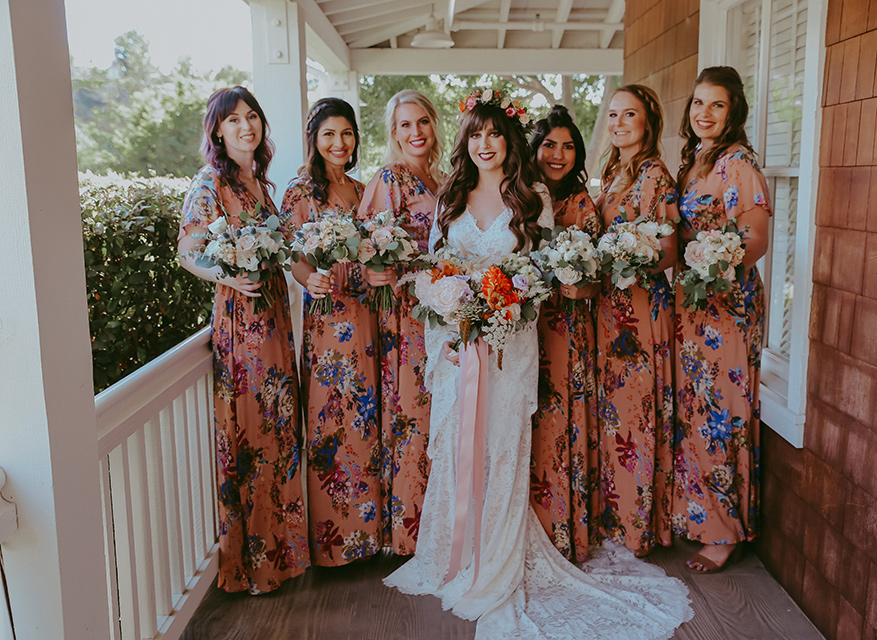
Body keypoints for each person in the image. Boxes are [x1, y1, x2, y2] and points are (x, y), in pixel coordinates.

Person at [384, 89, 692, 639]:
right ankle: (455, 556)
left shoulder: (531, 200)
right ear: (467, 141)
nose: (485, 144)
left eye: (495, 134)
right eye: (476, 134)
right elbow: (431, 268)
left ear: (508, 142)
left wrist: (502, 303)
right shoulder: (449, 199)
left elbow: (539, 278)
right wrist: (448, 298)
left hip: (508, 346)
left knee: (500, 447)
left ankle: (495, 565)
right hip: (458, 346)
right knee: (458, 442)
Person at [178, 87, 309, 594]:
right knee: (252, 435)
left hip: (274, 320)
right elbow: (189, 251)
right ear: (217, 131)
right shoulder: (209, 184)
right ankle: (253, 568)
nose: (245, 126)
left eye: (252, 116)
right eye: (233, 120)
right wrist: (226, 276)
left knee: (278, 432)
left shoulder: (258, 183)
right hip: (241, 324)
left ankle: (282, 554)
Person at [673, 66, 770, 573]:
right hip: (695, 304)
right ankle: (700, 515)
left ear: (733, 113)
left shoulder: (737, 164)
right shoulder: (696, 161)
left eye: (717, 105)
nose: (704, 114)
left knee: (722, 412)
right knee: (697, 408)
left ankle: (726, 531)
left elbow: (755, 239)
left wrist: (713, 264)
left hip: (727, 305)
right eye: (698, 104)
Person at [281, 98, 381, 566]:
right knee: (330, 421)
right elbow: (292, 254)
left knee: (366, 418)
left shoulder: (365, 190)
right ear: (314, 141)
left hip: (366, 316)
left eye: (346, 133)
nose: (339, 143)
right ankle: (333, 547)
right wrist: (309, 278)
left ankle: (370, 536)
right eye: (328, 135)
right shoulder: (301, 193)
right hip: (327, 321)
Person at [357, 90, 445, 555]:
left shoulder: (448, 180)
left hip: (448, 313)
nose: (415, 133)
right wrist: (377, 267)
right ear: (394, 133)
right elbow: (363, 241)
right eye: (405, 125)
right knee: (413, 416)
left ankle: (446, 524)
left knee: (444, 417)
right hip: (407, 317)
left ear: (434, 125)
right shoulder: (388, 179)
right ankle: (412, 535)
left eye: (423, 122)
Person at [594, 84, 679, 558]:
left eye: (630, 115)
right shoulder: (614, 173)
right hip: (611, 309)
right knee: (617, 414)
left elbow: (668, 250)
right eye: (613, 115)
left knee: (638, 413)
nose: (620, 123)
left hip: (641, 308)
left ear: (648, 122)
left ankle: (638, 526)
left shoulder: (654, 174)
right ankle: (618, 515)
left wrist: (629, 255)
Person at [528, 105, 601, 563]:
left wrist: (581, 285)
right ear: (534, 149)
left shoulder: (582, 206)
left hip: (568, 330)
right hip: (521, 329)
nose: (558, 154)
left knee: (562, 423)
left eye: (569, 146)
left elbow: (600, 279)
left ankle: (564, 529)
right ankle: (524, 529)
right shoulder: (518, 198)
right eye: (550, 144)